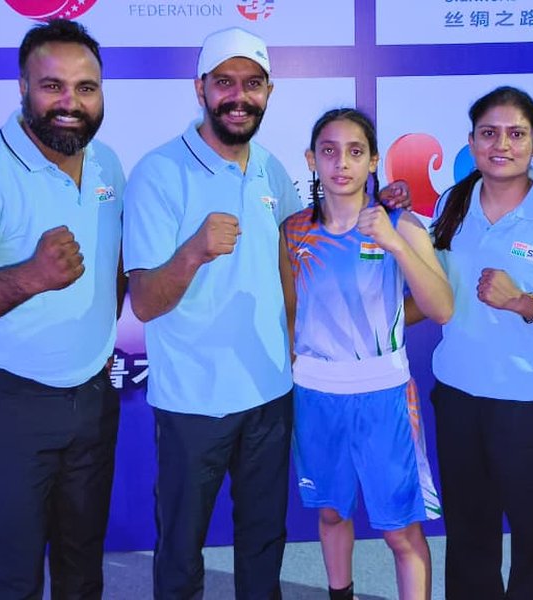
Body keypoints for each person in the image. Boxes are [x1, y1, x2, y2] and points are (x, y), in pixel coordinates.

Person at [122, 28, 409, 600]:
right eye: (224, 82)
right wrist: (194, 251)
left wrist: (382, 203)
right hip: (192, 401)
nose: (238, 96)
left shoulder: (272, 170)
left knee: (263, 539)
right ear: (199, 88)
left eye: (251, 84)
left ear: (269, 92)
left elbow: (318, 244)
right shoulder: (158, 172)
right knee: (181, 545)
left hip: (272, 393)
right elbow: (146, 302)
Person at [0, 19, 124, 599]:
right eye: (52, 86)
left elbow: (113, 272)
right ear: (22, 88)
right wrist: (30, 277)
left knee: (82, 567)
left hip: (93, 400)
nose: (70, 102)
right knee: (10, 576)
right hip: (5, 404)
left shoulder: (107, 166)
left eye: (86, 87)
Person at [421, 86, 533, 599]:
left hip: (531, 408)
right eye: (489, 133)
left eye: (516, 133)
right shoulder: (454, 201)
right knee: (468, 534)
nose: (501, 144)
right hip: (458, 398)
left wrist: (525, 302)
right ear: (472, 141)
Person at [279, 108, 452, 600]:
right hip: (316, 398)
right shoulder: (293, 231)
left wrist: (394, 243)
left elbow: (441, 308)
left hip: (385, 399)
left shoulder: (400, 223)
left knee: (400, 530)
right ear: (312, 160)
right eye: (329, 151)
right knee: (331, 512)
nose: (342, 163)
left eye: (356, 152)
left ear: (374, 160)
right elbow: (292, 313)